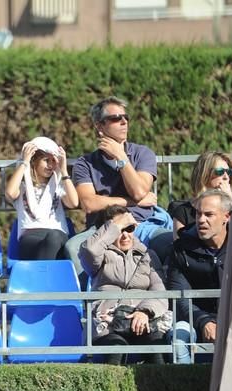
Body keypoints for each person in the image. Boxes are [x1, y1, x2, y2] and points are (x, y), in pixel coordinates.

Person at [66, 96, 171, 286]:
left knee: (170, 242)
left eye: (126, 117)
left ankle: (163, 304)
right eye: (116, 118)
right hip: (103, 227)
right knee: (74, 247)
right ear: (100, 126)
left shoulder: (142, 154)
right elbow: (89, 204)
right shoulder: (85, 163)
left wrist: (122, 158)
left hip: (142, 224)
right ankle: (85, 308)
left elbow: (139, 190)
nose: (124, 122)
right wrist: (131, 202)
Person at [79, 205, 172, 365]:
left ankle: (161, 390)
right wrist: (116, 225)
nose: (125, 235)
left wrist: (144, 312)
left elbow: (160, 291)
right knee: (117, 348)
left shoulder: (148, 255)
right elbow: (90, 251)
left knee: (157, 348)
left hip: (143, 321)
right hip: (108, 323)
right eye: (120, 230)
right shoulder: (100, 257)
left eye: (129, 228)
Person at [166, 190, 231, 362]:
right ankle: (183, 389)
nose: (201, 220)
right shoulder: (181, 249)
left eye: (209, 214)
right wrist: (204, 321)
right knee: (179, 339)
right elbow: (180, 297)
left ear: (227, 217)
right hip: (194, 320)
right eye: (198, 214)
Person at [4, 136, 78, 260]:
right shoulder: (22, 188)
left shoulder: (58, 187)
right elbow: (10, 193)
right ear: (34, 161)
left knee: (53, 237)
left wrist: (64, 171)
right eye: (46, 160)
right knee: (48, 241)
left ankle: (40, 277)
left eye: (53, 161)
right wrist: (24, 162)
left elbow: (74, 203)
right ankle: (45, 276)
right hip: (30, 237)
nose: (50, 165)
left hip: (57, 235)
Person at [169, 151, 232, 240]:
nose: (226, 177)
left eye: (229, 172)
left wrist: (228, 203)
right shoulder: (183, 212)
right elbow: (180, 248)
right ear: (204, 175)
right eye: (220, 172)